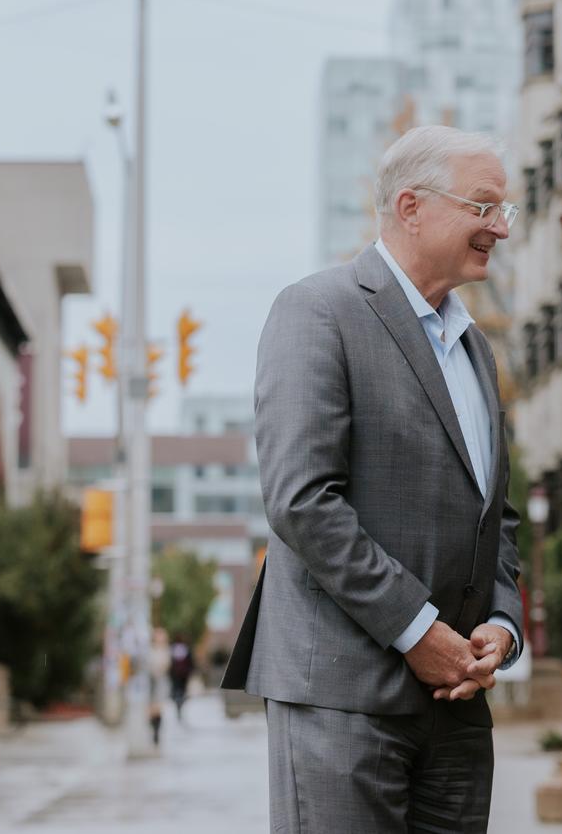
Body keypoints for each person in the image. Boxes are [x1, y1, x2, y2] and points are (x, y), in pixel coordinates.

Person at [222, 125, 524, 833]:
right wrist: (419, 632)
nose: (499, 229)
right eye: (483, 207)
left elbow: (495, 516)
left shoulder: (474, 346)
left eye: (503, 211)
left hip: (455, 708)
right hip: (341, 698)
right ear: (411, 206)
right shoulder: (316, 310)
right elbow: (303, 502)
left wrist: (501, 625)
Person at [168, 635, 193, 722]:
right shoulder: (185, 648)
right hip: (181, 675)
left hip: (178, 675)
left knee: (178, 691)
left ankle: (179, 703)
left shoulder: (173, 649)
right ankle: (179, 703)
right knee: (180, 692)